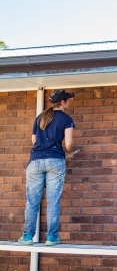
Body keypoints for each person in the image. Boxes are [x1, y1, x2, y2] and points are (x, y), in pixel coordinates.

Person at [18, 89, 76, 247]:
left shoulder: (40, 117)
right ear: (63, 102)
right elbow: (69, 144)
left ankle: (27, 236)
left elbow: (34, 140)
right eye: (68, 100)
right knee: (53, 201)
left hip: (35, 161)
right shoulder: (66, 119)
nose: (69, 102)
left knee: (32, 201)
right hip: (55, 161)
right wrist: (69, 154)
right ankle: (51, 237)